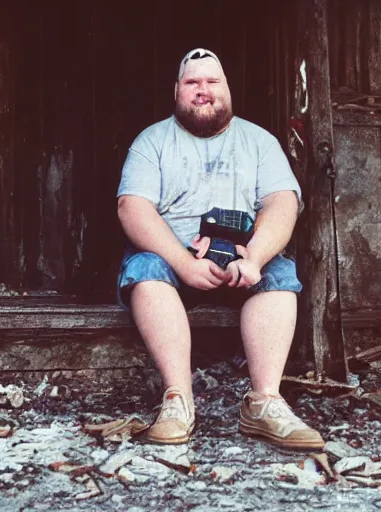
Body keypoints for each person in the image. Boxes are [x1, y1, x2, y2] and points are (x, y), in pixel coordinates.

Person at [115, 48, 323, 450]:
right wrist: (182, 262)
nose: (203, 91)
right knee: (144, 270)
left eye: (212, 82)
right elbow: (132, 207)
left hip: (241, 260)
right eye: (193, 82)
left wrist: (255, 256)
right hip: (171, 260)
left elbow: (283, 201)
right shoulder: (152, 141)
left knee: (280, 273)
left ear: (227, 88)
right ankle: (178, 400)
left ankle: (264, 403)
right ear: (177, 90)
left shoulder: (259, 141)